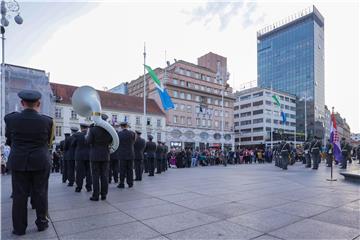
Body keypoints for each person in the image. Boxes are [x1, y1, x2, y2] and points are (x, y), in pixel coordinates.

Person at [4, 90, 54, 235]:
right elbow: (48, 143)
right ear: (38, 104)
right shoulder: (48, 121)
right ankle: (42, 223)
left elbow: (9, 140)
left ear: (21, 103)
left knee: (19, 196)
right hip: (40, 160)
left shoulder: (10, 119)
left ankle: (19, 228)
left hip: (19, 161)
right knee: (41, 193)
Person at [86, 114, 112, 201]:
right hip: (105, 155)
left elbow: (89, 141)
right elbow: (112, 141)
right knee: (104, 175)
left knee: (95, 176)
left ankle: (96, 195)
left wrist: (89, 132)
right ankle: (104, 195)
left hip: (95, 155)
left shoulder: (93, 129)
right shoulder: (109, 130)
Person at [72, 123, 92, 192]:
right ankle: (89, 187)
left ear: (81, 128)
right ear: (87, 128)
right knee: (89, 172)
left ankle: (79, 187)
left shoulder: (77, 135)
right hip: (89, 155)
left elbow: (73, 144)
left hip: (79, 155)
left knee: (79, 172)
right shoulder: (90, 135)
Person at [117, 122, 136, 188]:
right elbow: (134, 141)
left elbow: (117, 143)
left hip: (122, 154)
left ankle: (122, 183)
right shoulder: (132, 133)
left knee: (122, 169)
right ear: (127, 126)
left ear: (121, 126)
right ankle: (130, 183)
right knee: (130, 169)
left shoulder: (119, 134)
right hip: (130, 153)